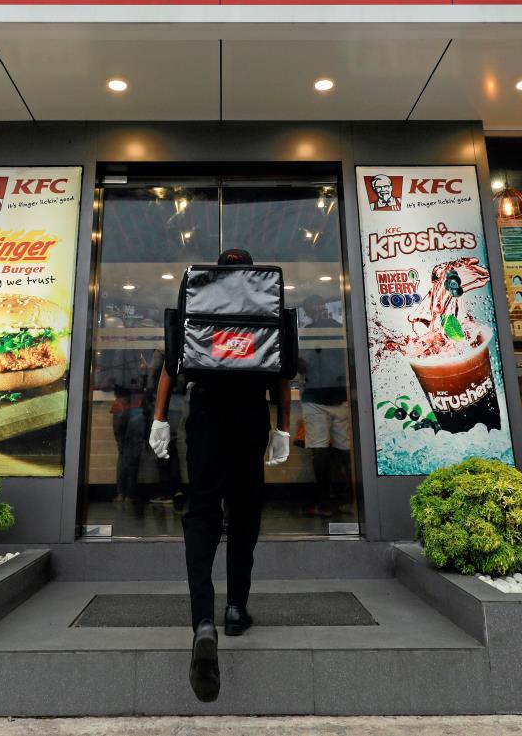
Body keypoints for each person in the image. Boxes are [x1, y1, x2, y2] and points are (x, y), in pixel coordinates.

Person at [149, 248, 292, 703]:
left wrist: (160, 419)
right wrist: (282, 430)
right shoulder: (266, 305)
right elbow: (283, 375)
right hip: (251, 416)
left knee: (203, 510)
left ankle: (202, 619)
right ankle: (235, 609)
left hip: (205, 412)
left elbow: (171, 366)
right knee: (245, 509)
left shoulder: (200, 301)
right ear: (249, 273)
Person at [297, 295, 350, 518]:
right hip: (341, 395)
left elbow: (300, 364)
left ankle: (325, 500)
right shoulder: (341, 329)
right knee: (343, 448)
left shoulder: (306, 332)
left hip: (315, 397)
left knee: (320, 449)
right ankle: (349, 497)